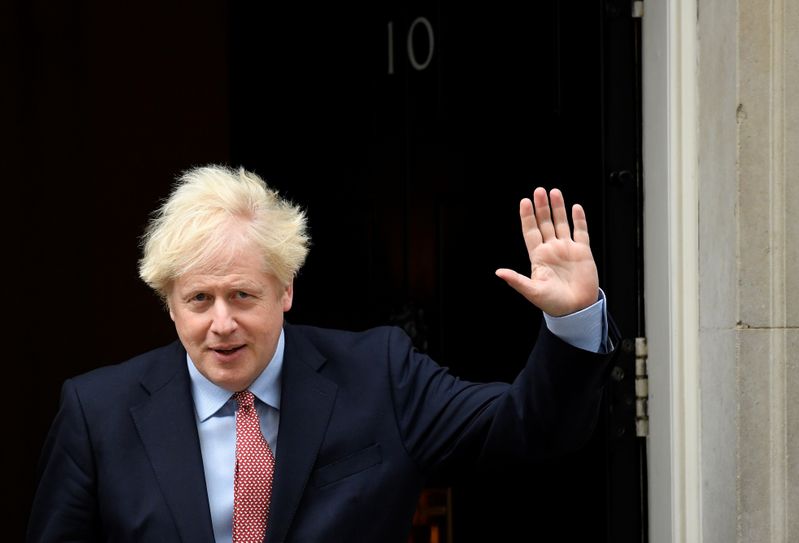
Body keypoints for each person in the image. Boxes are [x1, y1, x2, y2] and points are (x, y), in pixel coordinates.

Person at [27, 164, 618, 543]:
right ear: (170, 305)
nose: (222, 323)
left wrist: (570, 320)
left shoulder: (380, 374)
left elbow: (530, 430)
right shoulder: (97, 413)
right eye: (199, 299)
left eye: (242, 295)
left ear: (286, 290)